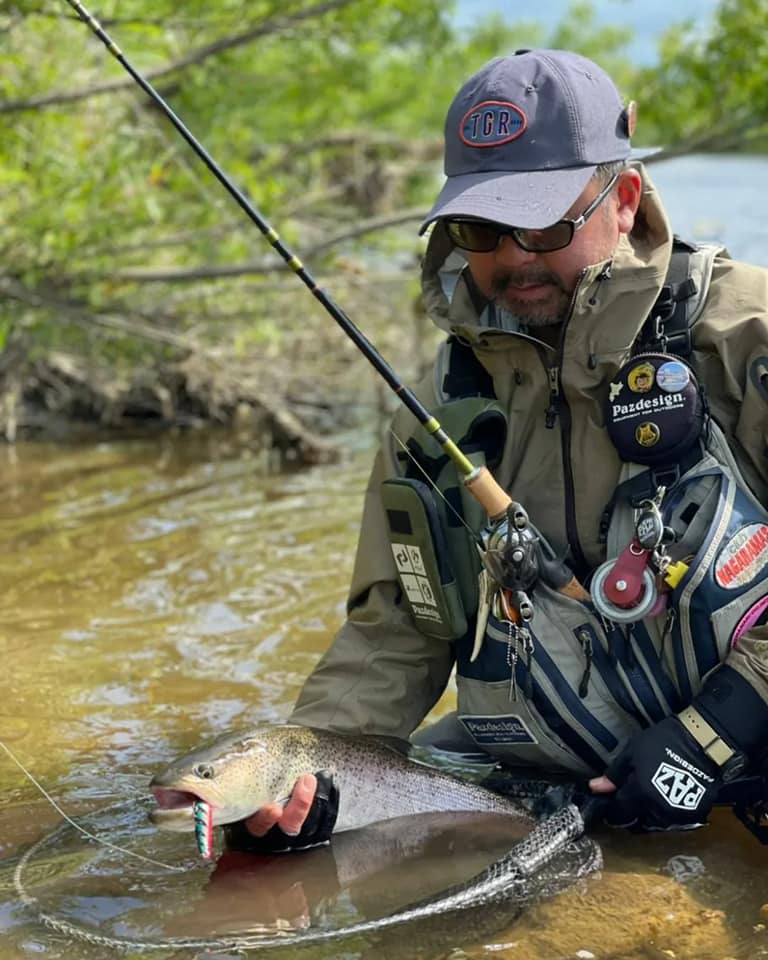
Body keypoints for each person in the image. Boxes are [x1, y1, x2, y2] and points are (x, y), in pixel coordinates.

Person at [225, 48, 768, 853]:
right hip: (554, 767)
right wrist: (307, 776)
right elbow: (399, 627)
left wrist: (712, 732)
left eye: (545, 224)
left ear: (622, 200)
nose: (514, 256)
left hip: (748, 722)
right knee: (320, 841)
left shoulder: (744, 333)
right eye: (482, 229)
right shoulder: (437, 407)